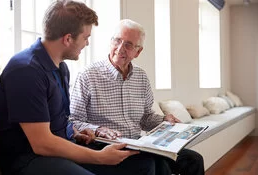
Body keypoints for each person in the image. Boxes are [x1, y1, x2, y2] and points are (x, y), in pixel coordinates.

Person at [0, 1, 156, 175]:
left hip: (59, 148)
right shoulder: (26, 70)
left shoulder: (60, 68)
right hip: (29, 158)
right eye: (86, 37)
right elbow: (42, 143)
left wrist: (75, 132)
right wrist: (99, 157)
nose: (87, 44)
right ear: (68, 39)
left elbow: (61, 119)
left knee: (143, 165)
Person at [70, 19, 205, 175]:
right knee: (155, 166)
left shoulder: (141, 77)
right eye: (117, 40)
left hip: (139, 144)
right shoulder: (87, 75)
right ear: (110, 41)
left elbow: (146, 117)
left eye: (128, 45)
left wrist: (164, 121)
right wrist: (99, 130)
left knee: (194, 160)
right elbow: (73, 120)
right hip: (104, 147)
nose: (120, 48)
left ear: (138, 52)